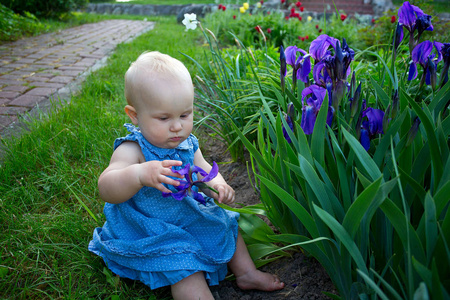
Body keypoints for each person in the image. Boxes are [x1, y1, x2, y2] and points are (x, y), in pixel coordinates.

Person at [89, 51, 285, 300]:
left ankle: (246, 273)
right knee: (184, 264)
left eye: (184, 115)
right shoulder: (133, 149)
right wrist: (138, 174)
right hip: (151, 227)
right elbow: (106, 187)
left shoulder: (187, 144)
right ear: (135, 115)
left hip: (185, 215)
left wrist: (217, 184)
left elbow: (203, 170)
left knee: (226, 224)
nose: (177, 126)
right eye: (164, 118)